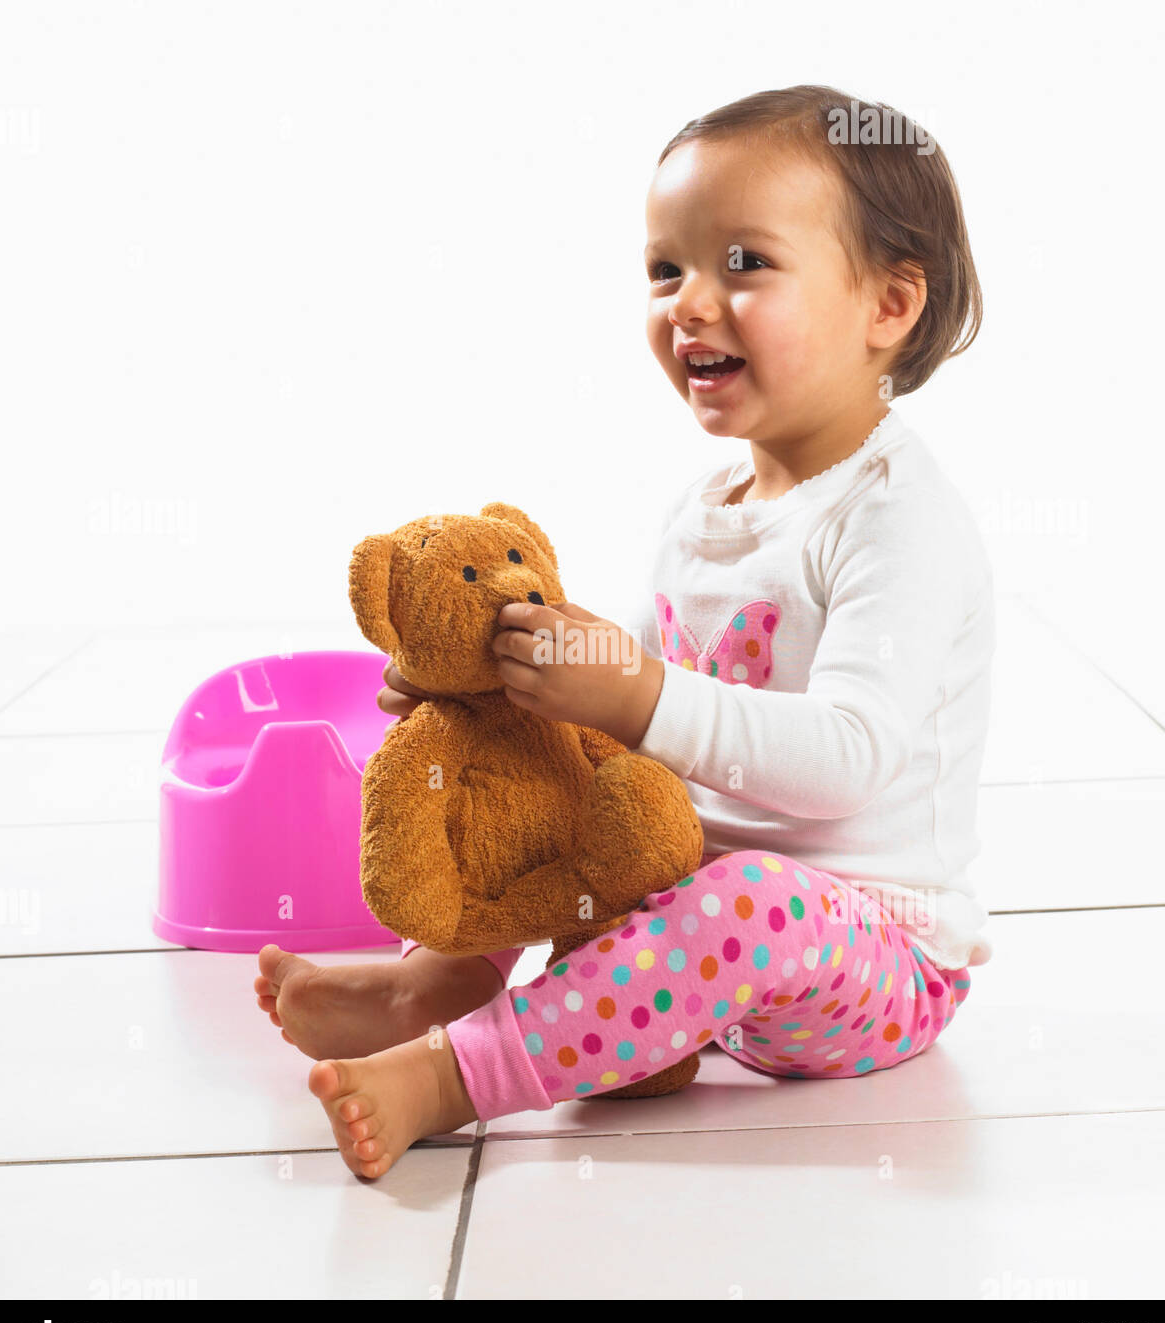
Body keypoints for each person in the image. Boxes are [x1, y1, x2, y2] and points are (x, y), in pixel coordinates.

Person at [255, 84, 994, 1180]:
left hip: (860, 957)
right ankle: (440, 972)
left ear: (886, 305)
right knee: (555, 769)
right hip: (683, 918)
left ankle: (458, 1074)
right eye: (667, 269)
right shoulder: (705, 510)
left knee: (752, 896)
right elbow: (627, 712)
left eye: (744, 262)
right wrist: (504, 679)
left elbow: (848, 756)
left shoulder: (898, 517)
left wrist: (638, 694)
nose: (690, 302)